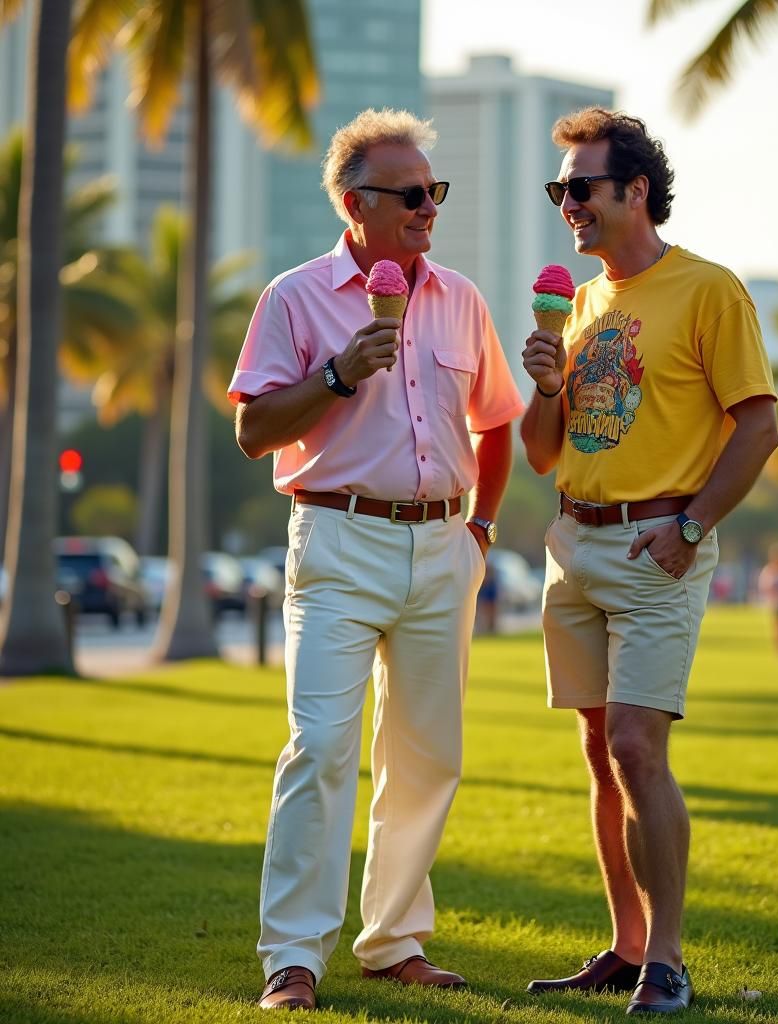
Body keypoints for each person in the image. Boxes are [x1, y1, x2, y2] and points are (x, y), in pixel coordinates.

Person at [229, 108, 525, 1012]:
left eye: (435, 192)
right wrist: (336, 376)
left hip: (444, 544)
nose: (428, 207)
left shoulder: (463, 298)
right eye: (410, 194)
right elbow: (251, 431)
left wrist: (479, 534)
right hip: (338, 540)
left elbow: (498, 420)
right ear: (356, 205)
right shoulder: (293, 297)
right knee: (319, 746)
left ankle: (393, 940)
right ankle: (293, 959)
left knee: (428, 759)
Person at [520, 108, 778, 1016]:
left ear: (636, 190)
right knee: (600, 753)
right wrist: (547, 385)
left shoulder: (710, 290)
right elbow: (542, 453)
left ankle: (666, 961)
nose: (568, 205)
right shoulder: (583, 302)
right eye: (560, 191)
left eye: (581, 187)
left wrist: (695, 527)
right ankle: (627, 949)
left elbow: (759, 426)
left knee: (637, 743)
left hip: (658, 545)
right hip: (574, 541)